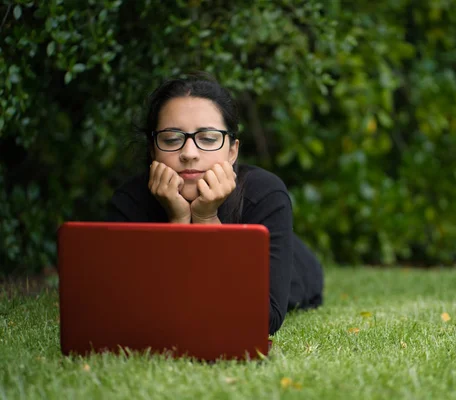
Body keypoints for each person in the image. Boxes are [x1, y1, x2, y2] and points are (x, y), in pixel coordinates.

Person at [104, 72, 324, 335]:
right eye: (172, 139)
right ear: (153, 149)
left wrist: (207, 219)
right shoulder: (129, 202)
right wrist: (178, 222)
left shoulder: (264, 194)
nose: (189, 153)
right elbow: (136, 310)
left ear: (232, 151)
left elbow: (263, 318)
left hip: (296, 272)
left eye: (208, 138)